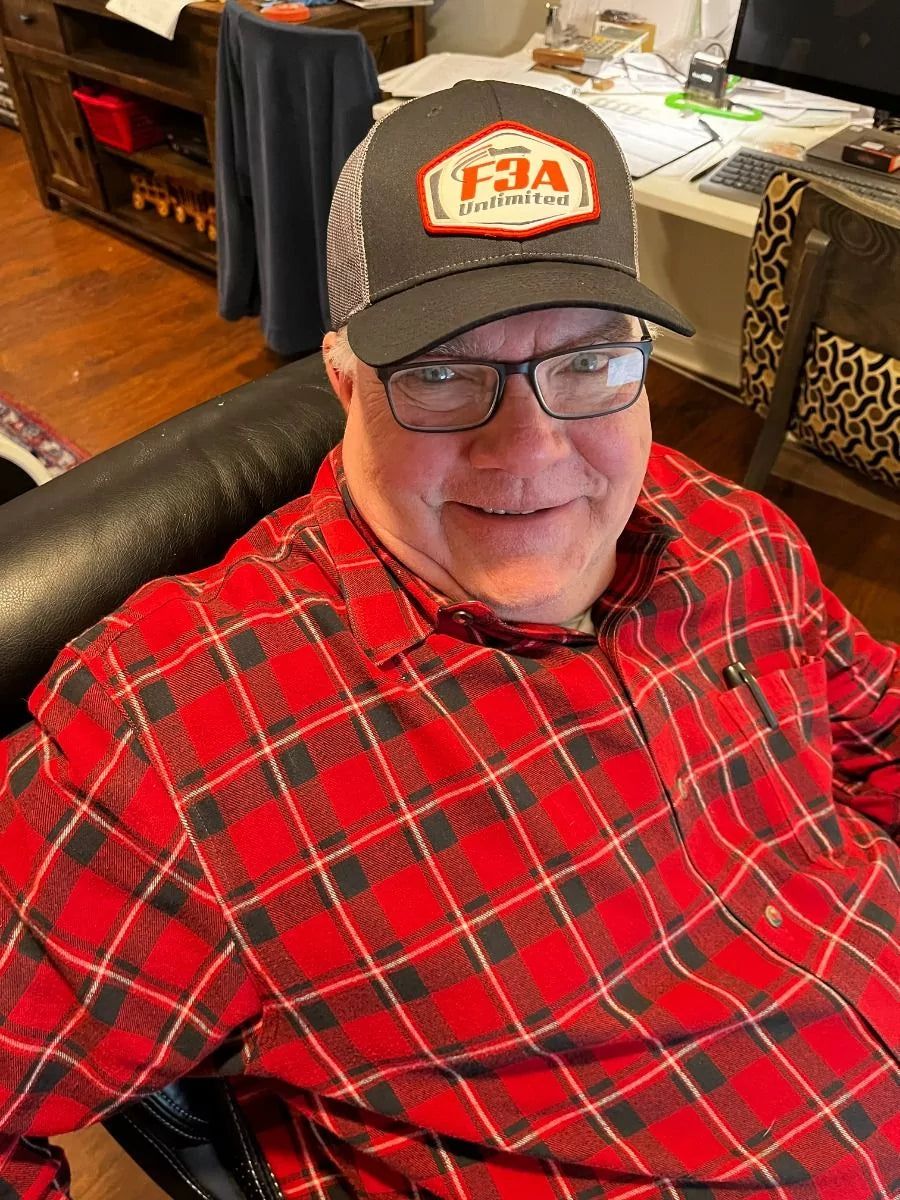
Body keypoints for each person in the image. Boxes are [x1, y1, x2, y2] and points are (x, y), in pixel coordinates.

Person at [1, 80, 897, 1200]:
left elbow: (881, 738)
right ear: (343, 381)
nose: (532, 451)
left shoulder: (729, 531)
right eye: (440, 373)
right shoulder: (177, 737)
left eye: (588, 363)